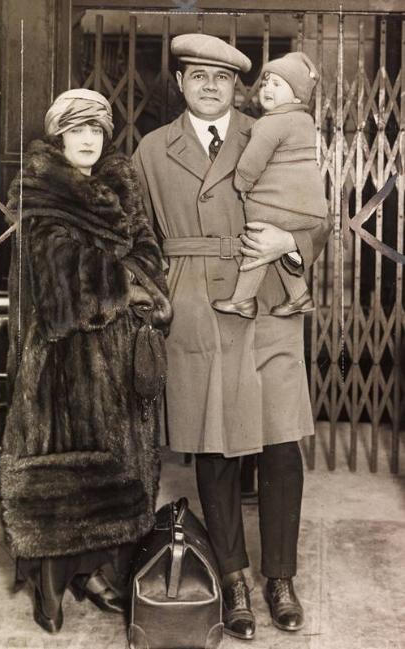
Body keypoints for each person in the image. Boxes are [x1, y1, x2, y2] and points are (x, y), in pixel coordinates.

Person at [132, 34, 332, 641]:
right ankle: (234, 577)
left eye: (223, 77)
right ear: (180, 83)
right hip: (195, 304)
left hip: (267, 294)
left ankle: (280, 577)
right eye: (199, 76)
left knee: (279, 446)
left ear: (239, 85)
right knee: (214, 449)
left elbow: (314, 209)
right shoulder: (151, 149)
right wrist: (155, 299)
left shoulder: (271, 128)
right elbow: (137, 237)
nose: (211, 86)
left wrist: (290, 244)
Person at [0, 88, 172, 634]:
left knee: (115, 470)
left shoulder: (121, 185)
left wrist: (132, 280)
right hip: (61, 361)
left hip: (118, 359)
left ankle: (94, 572)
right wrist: (128, 285)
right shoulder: (40, 192)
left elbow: (150, 256)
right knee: (63, 474)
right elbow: (60, 283)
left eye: (96, 130)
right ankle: (49, 584)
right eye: (76, 130)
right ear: (58, 136)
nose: (88, 140)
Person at [212, 52, 328, 319]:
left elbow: (251, 163)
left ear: (297, 96)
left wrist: (242, 184)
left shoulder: (270, 123)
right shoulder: (305, 121)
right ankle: (299, 296)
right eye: (265, 83)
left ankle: (242, 299)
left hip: (276, 204)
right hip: (308, 209)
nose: (267, 89)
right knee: (275, 247)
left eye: (277, 84)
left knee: (258, 241)